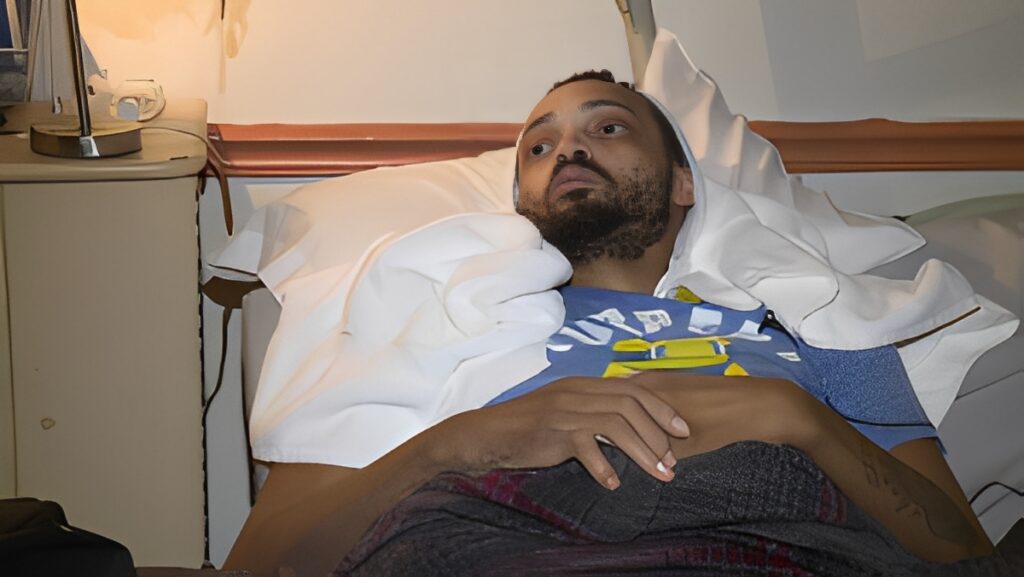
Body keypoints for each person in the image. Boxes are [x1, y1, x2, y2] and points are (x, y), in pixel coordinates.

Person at [224, 70, 993, 576]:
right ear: (520, 198)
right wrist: (461, 443)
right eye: (539, 145)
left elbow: (962, 552)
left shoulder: (819, 322)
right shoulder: (433, 319)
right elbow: (266, 562)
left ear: (685, 182)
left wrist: (793, 417)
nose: (569, 149)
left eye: (609, 128)